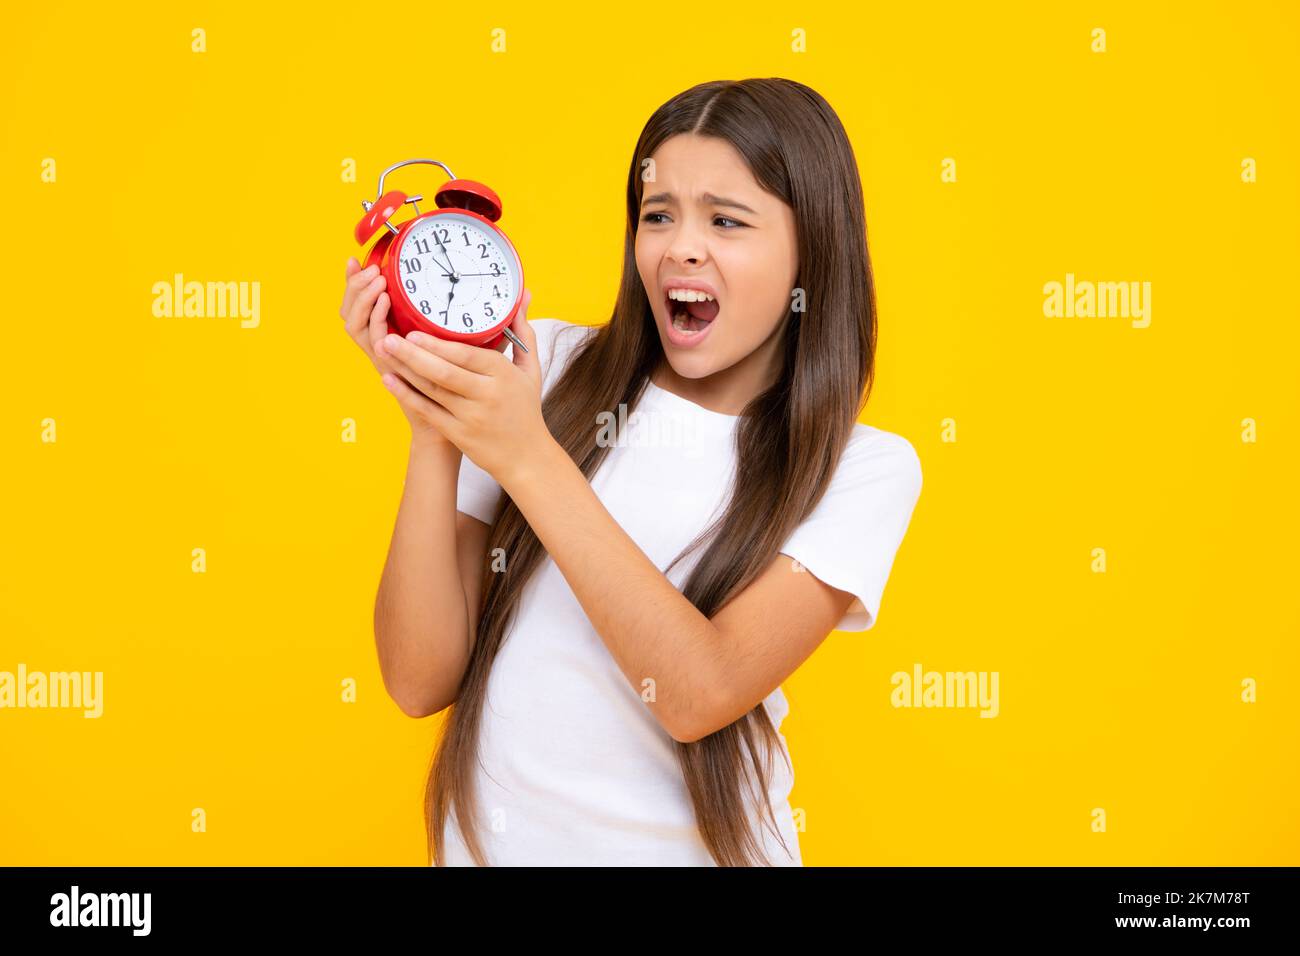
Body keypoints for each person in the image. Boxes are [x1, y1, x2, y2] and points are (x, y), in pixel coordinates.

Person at [337, 78, 923, 866]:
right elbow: (417, 679)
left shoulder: (862, 468)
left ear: (809, 252)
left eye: (726, 219)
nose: (681, 245)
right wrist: (434, 423)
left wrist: (526, 453)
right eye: (657, 214)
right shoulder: (549, 369)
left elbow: (697, 694)